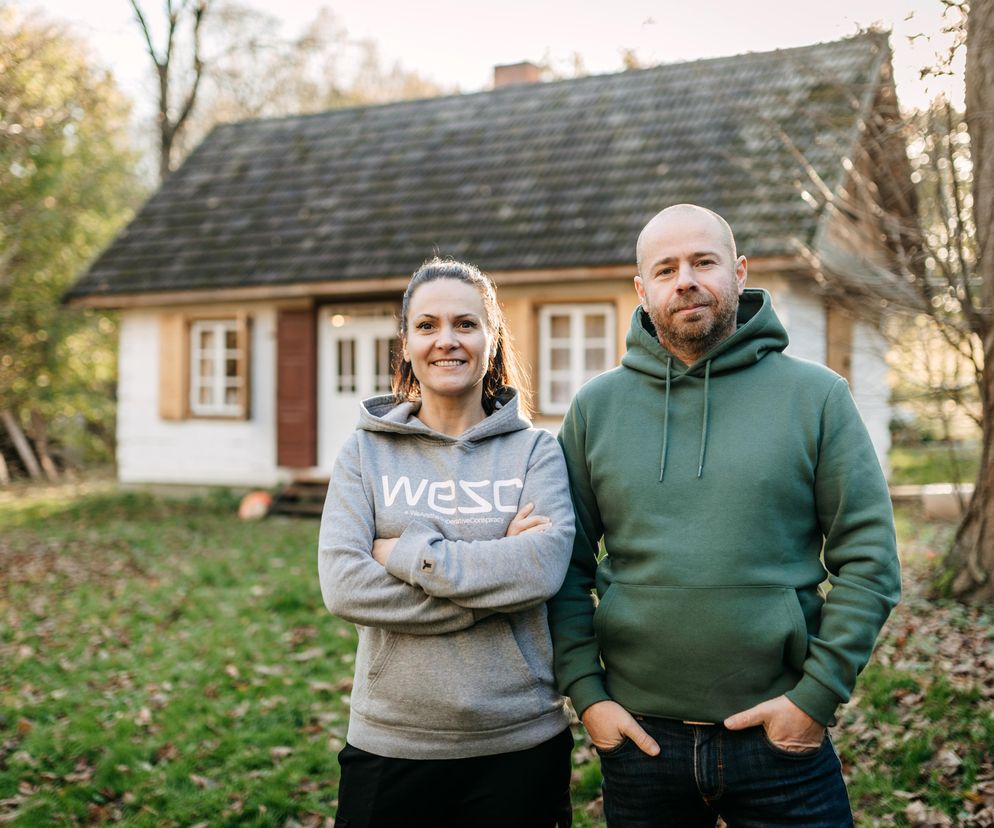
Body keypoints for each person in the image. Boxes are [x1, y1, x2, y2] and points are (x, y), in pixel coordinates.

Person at [548, 204, 901, 827]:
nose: (685, 279)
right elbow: (562, 564)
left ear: (739, 272)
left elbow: (869, 562)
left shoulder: (817, 398)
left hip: (780, 741)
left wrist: (814, 699)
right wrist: (588, 696)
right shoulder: (596, 408)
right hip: (641, 743)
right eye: (665, 268)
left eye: (703, 262)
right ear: (642, 289)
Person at [318, 258, 576, 828]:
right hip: (392, 742)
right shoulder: (365, 454)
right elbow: (344, 586)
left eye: (465, 324)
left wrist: (407, 555)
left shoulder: (536, 452)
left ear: (491, 338)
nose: (447, 341)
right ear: (406, 342)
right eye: (428, 325)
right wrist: (491, 589)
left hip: (520, 741)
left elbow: (539, 571)